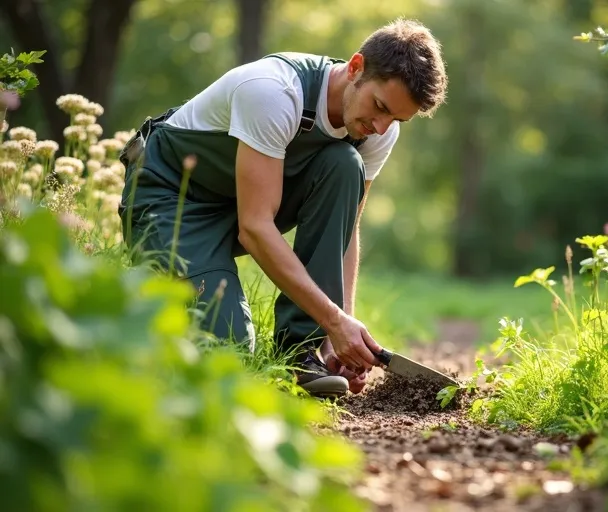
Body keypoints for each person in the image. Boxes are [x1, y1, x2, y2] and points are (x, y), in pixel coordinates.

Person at [117, 18, 448, 397]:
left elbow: (345, 229)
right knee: (227, 356)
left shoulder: (377, 130)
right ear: (355, 67)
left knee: (343, 165)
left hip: (241, 205)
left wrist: (337, 334)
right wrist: (334, 320)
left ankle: (299, 355)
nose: (381, 125)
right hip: (172, 204)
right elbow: (255, 227)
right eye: (379, 107)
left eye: (396, 119)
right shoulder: (274, 92)